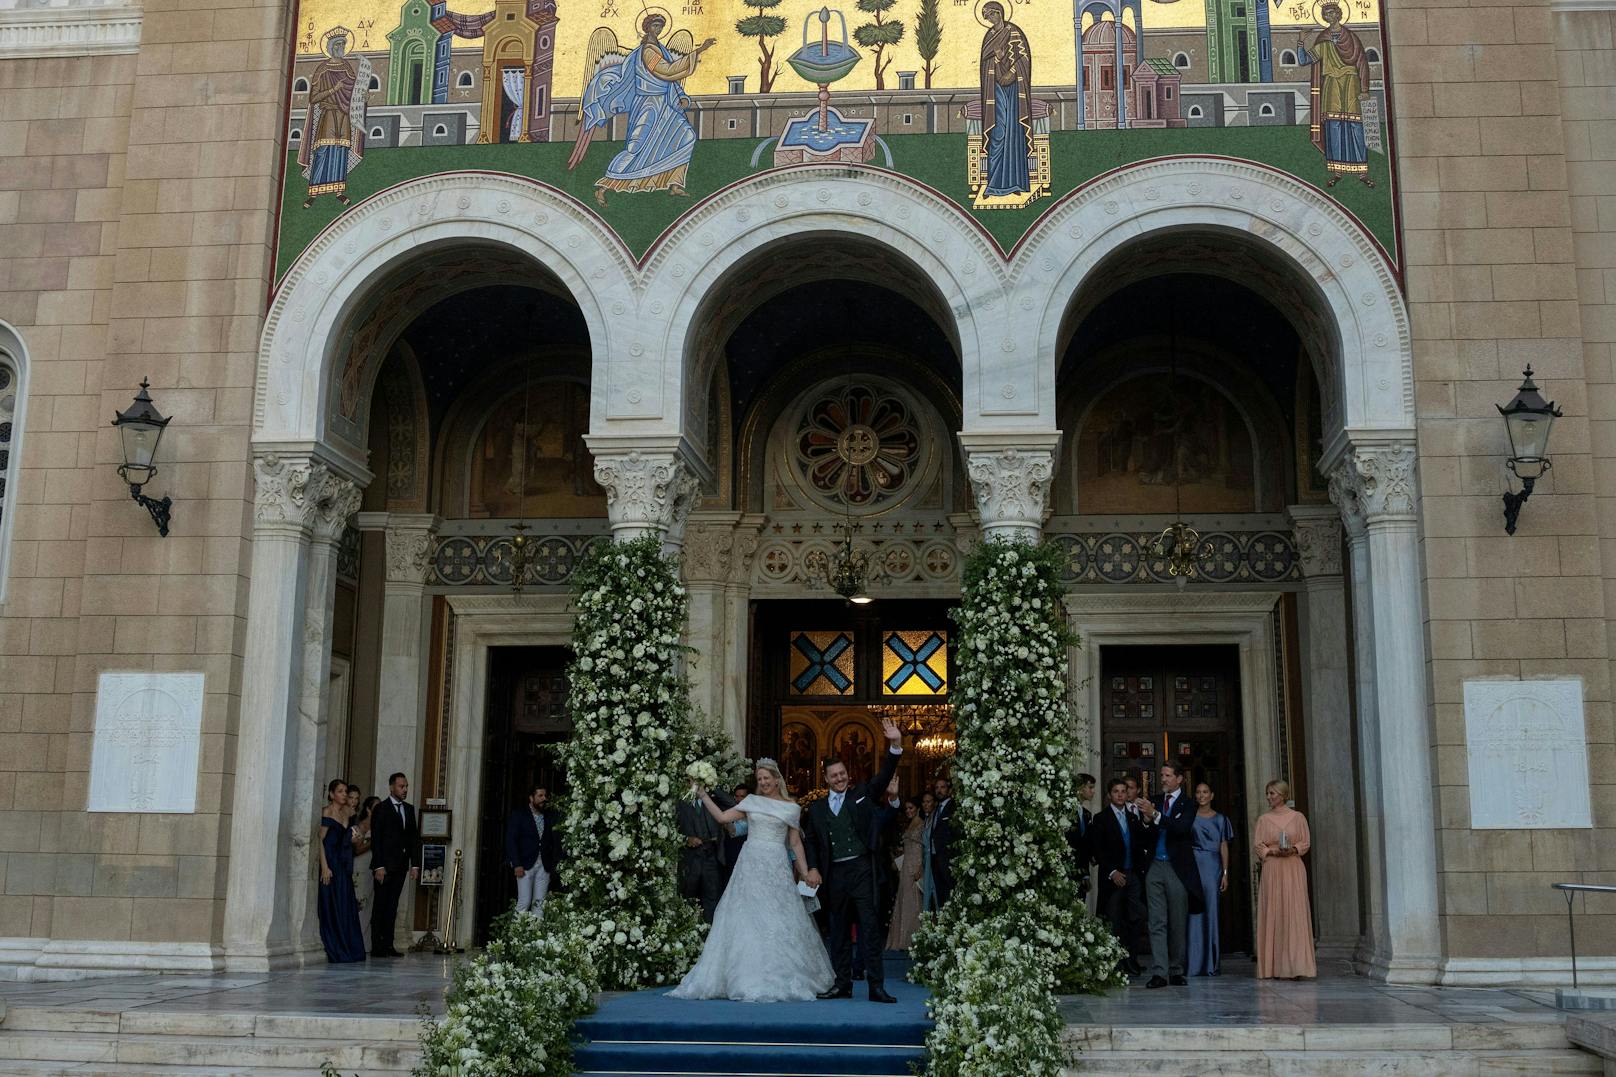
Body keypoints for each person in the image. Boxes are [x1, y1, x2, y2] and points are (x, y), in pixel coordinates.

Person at [669, 760, 835, 1001]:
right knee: (746, 915)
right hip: (750, 864)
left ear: (777, 779)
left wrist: (806, 870)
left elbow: (796, 843)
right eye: (759, 779)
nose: (764, 782)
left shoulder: (791, 807)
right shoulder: (751, 802)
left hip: (776, 865)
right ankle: (742, 974)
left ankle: (782, 973)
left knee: (777, 916)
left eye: (767, 778)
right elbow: (723, 817)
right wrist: (703, 794)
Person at [803, 716, 905, 1003]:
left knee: (870, 929)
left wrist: (895, 745)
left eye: (843, 773)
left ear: (848, 773)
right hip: (834, 874)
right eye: (834, 775)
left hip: (862, 869)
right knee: (837, 932)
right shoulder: (818, 808)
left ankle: (876, 986)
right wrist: (811, 867)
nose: (840, 778)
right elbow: (810, 839)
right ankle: (842, 984)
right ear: (825, 778)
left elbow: (884, 776)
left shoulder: (862, 793)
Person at [566, 14, 717, 206]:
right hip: (648, 104)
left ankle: (674, 183)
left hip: (665, 104)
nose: (658, 29)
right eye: (655, 25)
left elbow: (670, 80)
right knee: (636, 148)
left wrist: (682, 96)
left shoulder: (660, 49)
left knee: (686, 136)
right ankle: (603, 188)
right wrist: (699, 50)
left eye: (660, 26)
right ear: (647, 28)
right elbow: (667, 71)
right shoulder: (648, 52)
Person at [1138, 762, 1205, 988]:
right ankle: (1160, 972)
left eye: (1167, 775)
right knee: (1157, 921)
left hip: (1178, 868)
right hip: (1155, 865)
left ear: (1179, 779)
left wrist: (1154, 815)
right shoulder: (1155, 801)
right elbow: (1144, 835)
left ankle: (1176, 970)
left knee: (1177, 921)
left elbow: (1181, 829)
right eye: (1162, 775)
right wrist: (1146, 821)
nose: (1163, 779)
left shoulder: (1188, 804)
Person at [1296, 1, 1375, 188]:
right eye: (1326, 14)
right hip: (1331, 85)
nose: (1329, 16)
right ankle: (1337, 170)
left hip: (1350, 83)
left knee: (1354, 125)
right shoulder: (1323, 39)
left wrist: (1364, 90)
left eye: (1332, 13)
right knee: (1334, 125)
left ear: (1339, 14)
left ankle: (1362, 171)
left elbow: (1362, 63)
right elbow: (1304, 60)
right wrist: (1300, 41)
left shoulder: (1352, 38)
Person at [298, 27, 369, 208]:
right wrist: (332, 90)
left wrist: (362, 95)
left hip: (344, 116)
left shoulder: (347, 69)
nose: (341, 48)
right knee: (322, 151)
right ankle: (313, 191)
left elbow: (353, 92)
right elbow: (313, 98)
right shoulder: (323, 70)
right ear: (331, 47)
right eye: (338, 44)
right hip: (328, 114)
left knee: (340, 152)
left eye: (343, 44)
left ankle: (339, 191)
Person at [1255, 780, 1317, 979]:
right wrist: (1271, 852)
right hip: (1273, 868)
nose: (1269, 797)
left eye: (1272, 793)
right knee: (1275, 910)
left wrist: (1293, 849)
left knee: (1294, 911)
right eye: (1267, 793)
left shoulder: (1298, 817)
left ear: (1283, 795)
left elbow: (1305, 841)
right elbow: (1258, 845)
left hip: (1292, 866)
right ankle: (1274, 967)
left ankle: (1296, 965)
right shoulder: (1264, 819)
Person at [977, 0, 1035, 198]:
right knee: (998, 132)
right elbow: (986, 64)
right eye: (987, 17)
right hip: (996, 91)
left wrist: (1010, 70)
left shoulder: (1014, 32)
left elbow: (1024, 59)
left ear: (999, 14)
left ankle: (1015, 183)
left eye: (991, 15)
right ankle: (993, 184)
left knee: (1014, 132)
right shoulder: (989, 36)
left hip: (1014, 90)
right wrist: (998, 59)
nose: (990, 20)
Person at [1094, 777, 1147, 974]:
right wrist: (1112, 871)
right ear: (1109, 795)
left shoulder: (1133, 817)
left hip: (1132, 875)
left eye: (1123, 791)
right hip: (1113, 877)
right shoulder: (1101, 818)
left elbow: (1141, 843)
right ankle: (1115, 964)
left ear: (1128, 794)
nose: (1120, 795)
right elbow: (1099, 850)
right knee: (1114, 920)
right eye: (1116, 791)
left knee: (1136, 917)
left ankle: (1131, 960)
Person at [369, 772, 420, 958]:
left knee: (393, 906)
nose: (405, 789)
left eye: (406, 786)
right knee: (380, 906)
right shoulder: (381, 809)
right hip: (384, 867)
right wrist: (378, 866)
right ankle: (377, 946)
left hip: (400, 866)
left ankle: (389, 945)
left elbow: (413, 838)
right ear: (391, 787)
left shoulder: (409, 809)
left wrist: (415, 864)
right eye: (401, 786)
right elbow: (376, 839)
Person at [1186, 782, 1234, 976]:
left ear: (1212, 795)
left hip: (1213, 867)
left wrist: (1224, 873)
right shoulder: (1189, 817)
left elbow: (1224, 846)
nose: (1201, 795)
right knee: (1193, 913)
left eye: (1205, 792)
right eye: (1198, 792)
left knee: (1211, 912)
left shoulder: (1221, 819)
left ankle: (1210, 963)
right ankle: (1193, 963)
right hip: (1194, 865)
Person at [316, 779, 365, 963]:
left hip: (343, 864)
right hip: (331, 864)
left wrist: (354, 839)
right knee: (332, 904)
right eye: (341, 791)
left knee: (345, 905)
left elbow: (353, 839)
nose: (344, 794)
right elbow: (319, 840)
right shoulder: (327, 812)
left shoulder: (347, 813)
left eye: (345, 791)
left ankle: (349, 947)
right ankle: (336, 946)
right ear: (331, 794)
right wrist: (325, 867)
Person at [678, 773, 729, 922]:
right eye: (693, 781)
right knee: (687, 896)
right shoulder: (681, 802)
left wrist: (712, 785)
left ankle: (709, 933)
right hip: (690, 858)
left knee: (711, 898)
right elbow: (670, 829)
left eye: (699, 781)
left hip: (712, 857)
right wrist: (686, 839)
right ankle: (687, 930)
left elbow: (732, 803)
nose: (696, 784)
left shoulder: (714, 801)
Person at [505, 785, 561, 918]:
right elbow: (511, 840)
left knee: (539, 904)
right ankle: (517, 937)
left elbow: (554, 841)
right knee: (524, 902)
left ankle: (536, 937)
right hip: (525, 864)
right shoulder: (519, 814)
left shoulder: (550, 816)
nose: (544, 799)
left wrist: (554, 863)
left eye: (545, 796)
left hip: (544, 865)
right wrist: (516, 863)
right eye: (540, 796)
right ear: (531, 798)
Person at [885, 797, 926, 952]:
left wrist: (921, 868)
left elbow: (924, 848)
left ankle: (915, 938)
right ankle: (903, 939)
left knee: (916, 902)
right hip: (906, 866)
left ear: (917, 809)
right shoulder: (910, 825)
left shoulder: (922, 824)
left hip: (915, 867)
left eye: (911, 808)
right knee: (905, 900)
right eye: (907, 809)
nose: (909, 811)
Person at [351, 795, 380, 953]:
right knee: (359, 903)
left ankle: (365, 943)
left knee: (368, 903)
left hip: (371, 868)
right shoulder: (360, 826)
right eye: (376, 807)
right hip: (360, 867)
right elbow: (356, 849)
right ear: (368, 810)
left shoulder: (378, 825)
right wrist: (373, 841)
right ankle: (356, 941)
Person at [1065, 772, 1097, 901]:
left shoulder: (1087, 814)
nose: (1093, 791)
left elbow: (1085, 847)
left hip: (1080, 873)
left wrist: (1085, 875)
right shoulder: (1065, 811)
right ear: (1080, 788)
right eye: (1090, 787)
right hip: (1065, 871)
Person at [928, 775, 956, 907]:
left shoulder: (953, 807)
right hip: (935, 859)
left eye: (942, 787)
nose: (939, 790)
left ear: (948, 789)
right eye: (937, 788)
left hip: (948, 859)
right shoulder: (936, 809)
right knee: (940, 895)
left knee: (950, 893)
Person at [722, 782, 751, 885]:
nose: (739, 800)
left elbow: (734, 831)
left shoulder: (752, 814)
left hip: (744, 854)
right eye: (737, 796)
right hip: (728, 854)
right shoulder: (731, 810)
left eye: (742, 796)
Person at [918, 790, 938, 912]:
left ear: (934, 803)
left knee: (935, 890)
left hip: (933, 859)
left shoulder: (935, 819)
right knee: (927, 892)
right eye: (924, 802)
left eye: (928, 802)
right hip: (926, 860)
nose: (926, 804)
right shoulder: (926, 820)